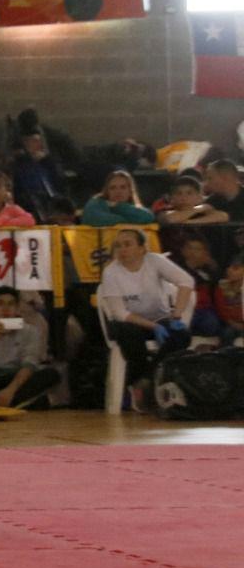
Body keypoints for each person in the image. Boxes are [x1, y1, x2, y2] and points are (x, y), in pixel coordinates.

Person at [98, 229, 193, 404]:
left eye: (128, 244)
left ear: (142, 248)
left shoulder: (155, 261)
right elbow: (119, 313)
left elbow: (186, 282)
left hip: (160, 316)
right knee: (129, 334)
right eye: (118, 246)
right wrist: (154, 327)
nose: (122, 250)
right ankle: (142, 383)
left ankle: (147, 378)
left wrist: (177, 315)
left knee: (182, 336)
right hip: (129, 322)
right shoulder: (111, 272)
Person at [11, 129, 67, 222]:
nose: (36, 144)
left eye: (38, 141)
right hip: (32, 204)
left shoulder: (49, 162)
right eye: (32, 141)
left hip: (53, 203)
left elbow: (59, 182)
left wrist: (47, 160)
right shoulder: (21, 165)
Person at [82, 170, 155, 226]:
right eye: (112, 188)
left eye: (123, 187)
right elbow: (91, 218)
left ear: (130, 191)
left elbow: (148, 217)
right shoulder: (96, 202)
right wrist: (122, 220)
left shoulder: (133, 207)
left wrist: (118, 206)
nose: (118, 191)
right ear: (107, 191)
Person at [212, 254, 244, 346]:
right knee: (227, 333)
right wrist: (234, 324)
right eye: (228, 268)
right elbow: (221, 310)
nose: (229, 270)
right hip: (231, 324)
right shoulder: (222, 287)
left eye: (235, 268)